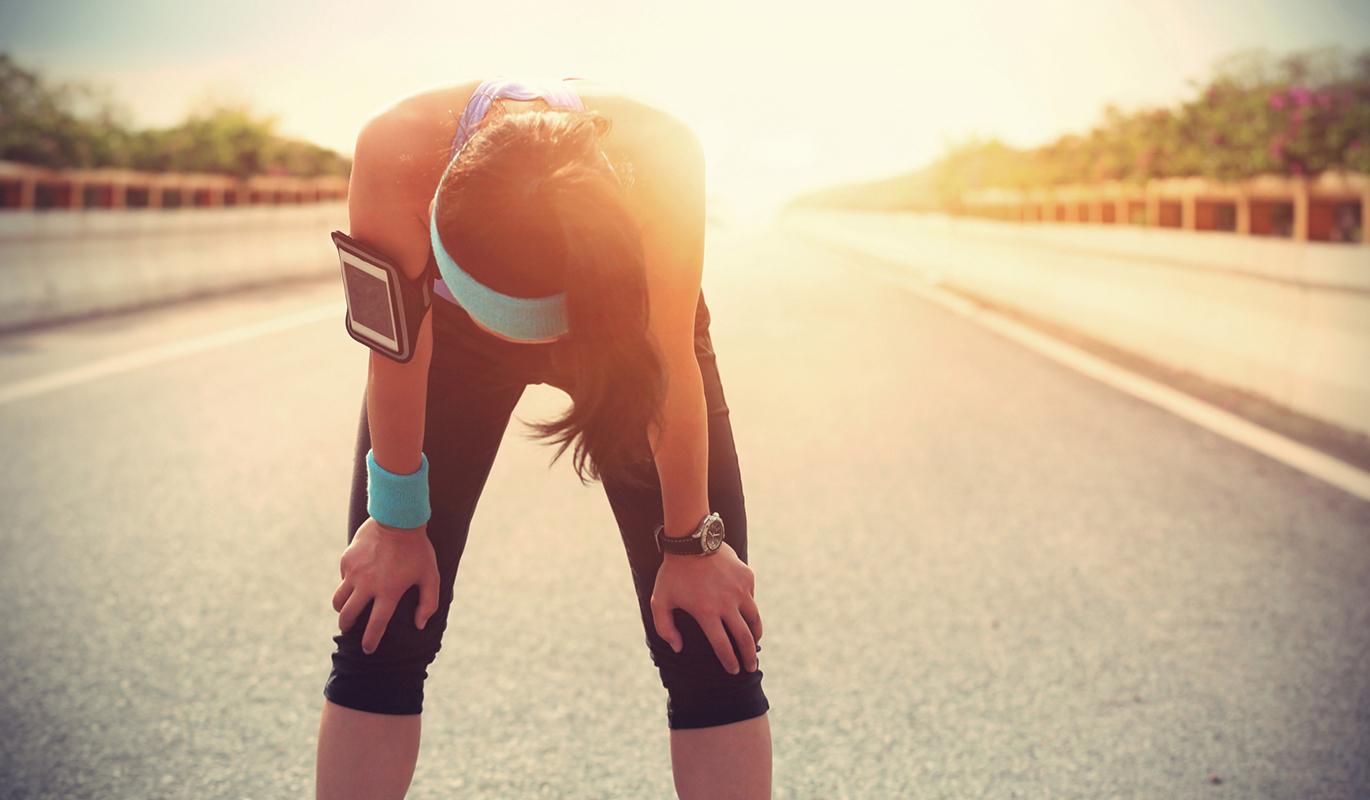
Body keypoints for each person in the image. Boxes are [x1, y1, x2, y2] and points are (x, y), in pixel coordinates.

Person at [314, 75, 772, 800]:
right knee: (384, 617)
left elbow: (670, 361)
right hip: (447, 341)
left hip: (622, 329)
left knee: (710, 629)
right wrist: (397, 525)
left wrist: (692, 545)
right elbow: (395, 349)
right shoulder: (397, 152)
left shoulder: (660, 159)